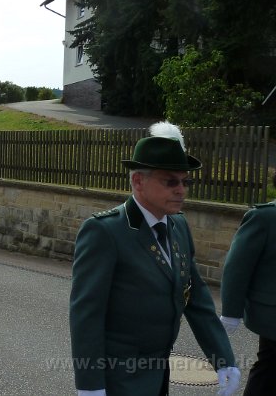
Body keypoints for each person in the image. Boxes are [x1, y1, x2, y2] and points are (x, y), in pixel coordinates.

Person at [70, 121, 240, 396]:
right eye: (170, 181)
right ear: (138, 181)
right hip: (118, 377)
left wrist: (223, 359)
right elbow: (86, 315)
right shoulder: (105, 231)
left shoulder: (178, 226)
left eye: (185, 181)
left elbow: (195, 297)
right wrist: (90, 386)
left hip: (159, 371)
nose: (181, 190)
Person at [220, 199, 276, 395]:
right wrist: (231, 312)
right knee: (269, 368)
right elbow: (238, 266)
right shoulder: (265, 217)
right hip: (272, 314)